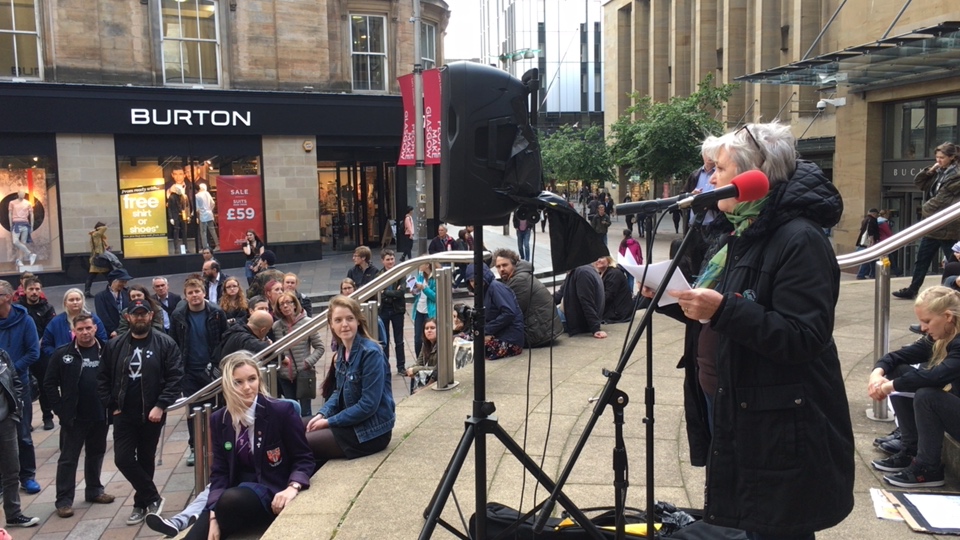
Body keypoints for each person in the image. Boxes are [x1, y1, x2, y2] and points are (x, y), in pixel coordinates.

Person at [657, 121, 853, 538]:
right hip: (733, 396)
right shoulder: (740, 232)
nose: (709, 179)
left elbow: (804, 335)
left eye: (720, 170)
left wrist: (723, 309)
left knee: (778, 522)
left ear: (753, 178)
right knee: (748, 515)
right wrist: (674, 298)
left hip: (780, 417)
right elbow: (723, 311)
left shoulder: (799, 239)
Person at [183, 351, 314, 540]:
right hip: (232, 495)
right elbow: (219, 471)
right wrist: (213, 517)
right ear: (227, 385)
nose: (247, 387)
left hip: (269, 490)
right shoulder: (219, 419)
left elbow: (304, 457)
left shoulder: (280, 411)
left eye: (252, 379)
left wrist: (293, 487)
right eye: (238, 382)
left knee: (230, 500)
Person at [98, 299, 182, 525]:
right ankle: (153, 497)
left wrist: (161, 405)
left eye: (144, 314)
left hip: (152, 413)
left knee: (146, 458)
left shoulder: (165, 343)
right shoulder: (115, 345)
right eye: (135, 315)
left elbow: (175, 377)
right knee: (123, 458)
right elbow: (102, 377)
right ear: (128, 318)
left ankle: (140, 504)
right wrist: (111, 405)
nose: (140, 318)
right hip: (123, 413)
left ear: (151, 316)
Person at [868, 286, 960, 488]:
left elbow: (936, 376)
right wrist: (877, 374)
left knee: (928, 396)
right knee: (898, 370)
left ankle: (928, 468)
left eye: (927, 321)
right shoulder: (944, 335)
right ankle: (911, 449)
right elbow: (896, 357)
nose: (923, 328)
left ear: (947, 317)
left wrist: (889, 387)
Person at [305, 295, 395, 461]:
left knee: (303, 443)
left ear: (358, 321)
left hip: (371, 431)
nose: (344, 324)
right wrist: (322, 414)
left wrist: (329, 422)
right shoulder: (342, 351)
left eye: (349, 319)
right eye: (338, 320)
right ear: (331, 324)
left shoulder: (371, 353)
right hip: (350, 420)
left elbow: (368, 405)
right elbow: (338, 391)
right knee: (293, 427)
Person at [43, 314, 116, 518]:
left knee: (96, 454)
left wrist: (113, 405)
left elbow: (116, 378)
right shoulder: (62, 354)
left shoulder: (106, 351)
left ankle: (94, 490)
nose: (85, 332)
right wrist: (59, 409)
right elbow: (49, 384)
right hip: (74, 418)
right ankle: (64, 501)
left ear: (95, 328)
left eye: (88, 328)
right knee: (68, 459)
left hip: (100, 414)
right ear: (73, 331)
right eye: (80, 329)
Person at [170, 278, 229, 466]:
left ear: (204, 292)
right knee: (193, 411)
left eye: (197, 291)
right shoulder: (178, 315)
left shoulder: (217, 313)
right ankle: (195, 447)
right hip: (189, 371)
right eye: (190, 293)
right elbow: (174, 343)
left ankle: (218, 446)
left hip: (212, 371)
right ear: (186, 296)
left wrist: (218, 363)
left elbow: (224, 339)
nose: (194, 295)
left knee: (218, 409)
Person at [894, 142, 960, 299]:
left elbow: (942, 200)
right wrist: (931, 170)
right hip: (933, 226)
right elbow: (920, 184)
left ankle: (951, 292)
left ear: (952, 157)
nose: (938, 160)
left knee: (953, 263)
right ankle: (912, 289)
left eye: (942, 157)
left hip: (947, 226)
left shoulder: (956, 174)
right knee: (922, 260)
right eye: (936, 157)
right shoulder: (940, 171)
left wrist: (924, 211)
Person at [0, 280, 40, 495]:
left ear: (8, 297)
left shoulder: (25, 320)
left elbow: (34, 352)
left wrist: (9, 373)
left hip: (18, 385)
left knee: (23, 433)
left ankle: (27, 476)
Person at [0, 346, 40, 528]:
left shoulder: (2, 354)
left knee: (12, 469)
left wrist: (15, 410)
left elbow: (15, 381)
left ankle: (13, 514)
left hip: (5, 419)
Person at [492, 249, 562, 348]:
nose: (501, 269)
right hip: (545, 328)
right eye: (498, 266)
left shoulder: (520, 280)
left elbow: (510, 312)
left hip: (540, 333)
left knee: (491, 340)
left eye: (505, 265)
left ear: (514, 265)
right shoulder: (520, 276)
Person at [272, 293, 325, 416]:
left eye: (288, 302)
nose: (285, 306)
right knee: (291, 409)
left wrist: (307, 362)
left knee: (306, 411)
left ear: (295, 305)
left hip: (303, 374)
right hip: (284, 375)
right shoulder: (276, 326)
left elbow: (320, 347)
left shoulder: (307, 323)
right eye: (281, 304)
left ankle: (307, 433)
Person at [463, 264, 524, 360]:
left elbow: (509, 313)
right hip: (500, 335)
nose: (474, 283)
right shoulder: (484, 291)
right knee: (461, 341)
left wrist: (486, 330)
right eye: (471, 280)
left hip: (510, 340)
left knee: (468, 349)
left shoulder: (496, 288)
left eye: (476, 279)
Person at [19, 276, 56, 430]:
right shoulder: (18, 309)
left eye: (37, 289)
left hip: (41, 354)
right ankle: (26, 421)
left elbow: (49, 331)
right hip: (23, 354)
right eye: (31, 289)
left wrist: (36, 345)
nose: (34, 292)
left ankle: (47, 417)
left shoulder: (47, 308)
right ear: (24, 290)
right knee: (23, 388)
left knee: (44, 386)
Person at [41, 289, 109, 360]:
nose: (75, 302)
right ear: (65, 303)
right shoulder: (55, 322)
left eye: (78, 299)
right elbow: (46, 345)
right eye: (71, 300)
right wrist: (59, 356)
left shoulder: (93, 319)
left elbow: (103, 340)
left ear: (83, 301)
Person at [554, 265, 606, 339]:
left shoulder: (582, 273)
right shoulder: (576, 270)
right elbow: (560, 294)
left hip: (576, 321)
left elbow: (587, 302)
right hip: (570, 313)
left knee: (538, 322)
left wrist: (595, 329)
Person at [377, 250, 407, 375]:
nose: (390, 262)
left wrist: (386, 293)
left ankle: (401, 367)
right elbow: (378, 292)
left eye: (392, 259)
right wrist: (391, 294)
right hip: (384, 309)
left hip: (397, 310)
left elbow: (401, 292)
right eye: (388, 259)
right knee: (384, 340)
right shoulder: (378, 275)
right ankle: (385, 366)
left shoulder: (400, 273)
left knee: (399, 340)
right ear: (382, 261)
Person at [682, 152, 719, 234]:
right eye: (707, 152)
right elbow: (683, 196)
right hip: (693, 225)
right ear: (703, 155)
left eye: (712, 152)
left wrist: (706, 201)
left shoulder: (721, 175)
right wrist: (691, 195)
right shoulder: (694, 175)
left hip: (714, 226)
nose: (710, 156)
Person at [94, 268, 132, 338]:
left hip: (127, 331)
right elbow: (103, 316)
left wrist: (121, 330)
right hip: (110, 334)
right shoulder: (100, 297)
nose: (124, 284)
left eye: (125, 282)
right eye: (121, 281)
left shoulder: (127, 293)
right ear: (113, 281)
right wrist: (114, 330)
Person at [594, 256, 634, 324]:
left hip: (617, 312)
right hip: (613, 308)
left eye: (601, 258)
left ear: (608, 259)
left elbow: (609, 296)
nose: (598, 260)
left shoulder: (614, 273)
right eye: (596, 259)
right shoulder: (601, 273)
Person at [411, 262, 437, 357]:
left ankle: (430, 359)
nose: (419, 266)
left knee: (430, 337)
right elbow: (417, 293)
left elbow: (435, 297)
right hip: (419, 310)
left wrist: (424, 288)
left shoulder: (434, 278)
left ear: (427, 265)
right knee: (418, 338)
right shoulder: (420, 276)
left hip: (429, 311)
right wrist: (414, 290)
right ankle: (419, 359)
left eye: (421, 264)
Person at [407, 319, 438, 393]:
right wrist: (410, 369)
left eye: (432, 328)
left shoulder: (442, 345)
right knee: (413, 374)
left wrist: (415, 369)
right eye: (426, 328)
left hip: (436, 377)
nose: (429, 330)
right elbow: (419, 363)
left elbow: (437, 369)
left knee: (415, 372)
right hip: (427, 375)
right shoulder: (425, 344)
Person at [8, 189, 36, 267]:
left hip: (25, 224)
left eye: (24, 193)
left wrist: (32, 225)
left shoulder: (28, 203)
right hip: (16, 224)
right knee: (15, 241)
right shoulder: (12, 203)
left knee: (23, 243)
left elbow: (31, 214)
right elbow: (10, 213)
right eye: (21, 193)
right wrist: (11, 224)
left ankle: (20, 260)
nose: (22, 195)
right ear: (18, 193)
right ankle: (30, 254)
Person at [85, 221, 109, 298]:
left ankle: (87, 291)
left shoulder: (97, 235)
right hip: (98, 258)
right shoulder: (96, 234)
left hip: (98, 257)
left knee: (92, 276)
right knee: (109, 274)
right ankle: (114, 289)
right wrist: (97, 229)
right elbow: (105, 228)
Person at [856, 208, 881, 280]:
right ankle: (862, 274)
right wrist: (872, 241)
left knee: (872, 259)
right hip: (869, 243)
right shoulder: (872, 220)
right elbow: (870, 230)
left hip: (865, 242)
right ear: (874, 214)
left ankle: (872, 273)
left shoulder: (865, 219)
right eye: (876, 214)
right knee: (868, 259)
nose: (877, 216)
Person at [194, 183, 220, 252]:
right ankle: (217, 245)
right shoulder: (207, 193)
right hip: (209, 214)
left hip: (202, 216)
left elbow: (197, 208)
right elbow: (213, 203)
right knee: (212, 230)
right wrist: (210, 210)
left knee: (203, 232)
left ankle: (205, 247)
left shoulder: (197, 196)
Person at [167, 183, 191, 255]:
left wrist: (188, 216)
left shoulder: (184, 196)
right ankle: (176, 249)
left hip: (183, 216)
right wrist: (171, 218)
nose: (179, 191)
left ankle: (186, 248)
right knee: (176, 232)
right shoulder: (171, 197)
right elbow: (170, 208)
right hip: (175, 216)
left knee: (184, 232)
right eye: (178, 189)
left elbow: (187, 207)